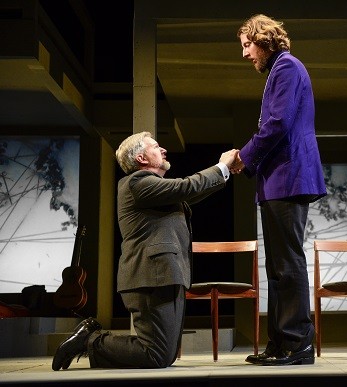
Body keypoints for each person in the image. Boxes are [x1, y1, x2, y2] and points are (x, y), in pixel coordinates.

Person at [52, 131, 238, 370]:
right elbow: (187, 187)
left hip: (165, 274)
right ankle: (89, 339)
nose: (163, 150)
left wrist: (224, 173)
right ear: (141, 158)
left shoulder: (155, 191)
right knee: (156, 355)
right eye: (156, 147)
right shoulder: (137, 183)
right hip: (151, 275)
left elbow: (191, 192)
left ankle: (91, 342)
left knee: (163, 354)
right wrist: (221, 165)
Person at [232, 14, 327, 366]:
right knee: (278, 266)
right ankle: (279, 343)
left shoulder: (286, 67)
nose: (245, 54)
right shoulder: (280, 70)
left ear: (264, 39)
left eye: (247, 45)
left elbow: (278, 124)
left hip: (289, 177)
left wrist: (243, 156)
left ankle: (296, 343)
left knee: (287, 264)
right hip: (278, 180)